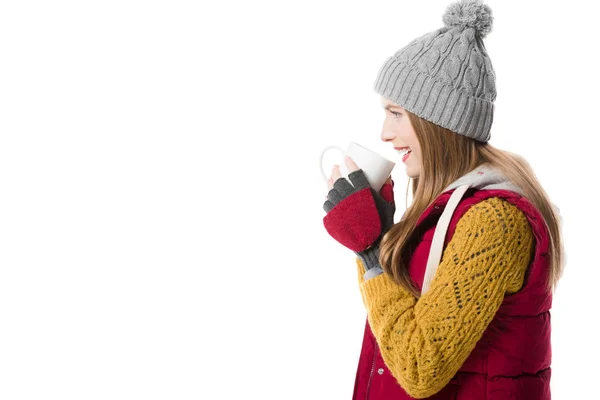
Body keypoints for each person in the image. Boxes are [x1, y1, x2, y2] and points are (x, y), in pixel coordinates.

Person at [321, 0, 565, 399]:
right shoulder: (443, 211)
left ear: (437, 122)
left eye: (396, 113)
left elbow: (419, 366)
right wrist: (382, 235)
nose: (384, 132)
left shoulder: (495, 221)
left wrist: (369, 251)